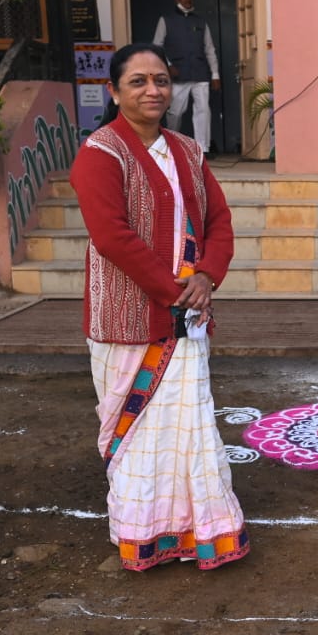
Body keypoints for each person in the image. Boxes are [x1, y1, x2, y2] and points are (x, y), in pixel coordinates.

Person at [69, 43, 249, 573]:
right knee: (139, 431)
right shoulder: (101, 153)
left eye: (162, 80)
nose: (153, 90)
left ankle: (201, 531)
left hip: (188, 315)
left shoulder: (188, 151)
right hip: (127, 318)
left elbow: (219, 220)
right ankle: (142, 533)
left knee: (190, 429)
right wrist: (174, 290)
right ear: (114, 91)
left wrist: (207, 275)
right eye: (138, 81)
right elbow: (111, 237)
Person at [151, 0, 222, 159]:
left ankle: (202, 149)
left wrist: (215, 74)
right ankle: (171, 145)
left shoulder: (200, 21)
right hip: (177, 74)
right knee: (175, 112)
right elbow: (156, 46)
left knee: (203, 110)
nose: (188, 0)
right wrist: (167, 65)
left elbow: (209, 49)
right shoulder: (166, 20)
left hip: (200, 73)